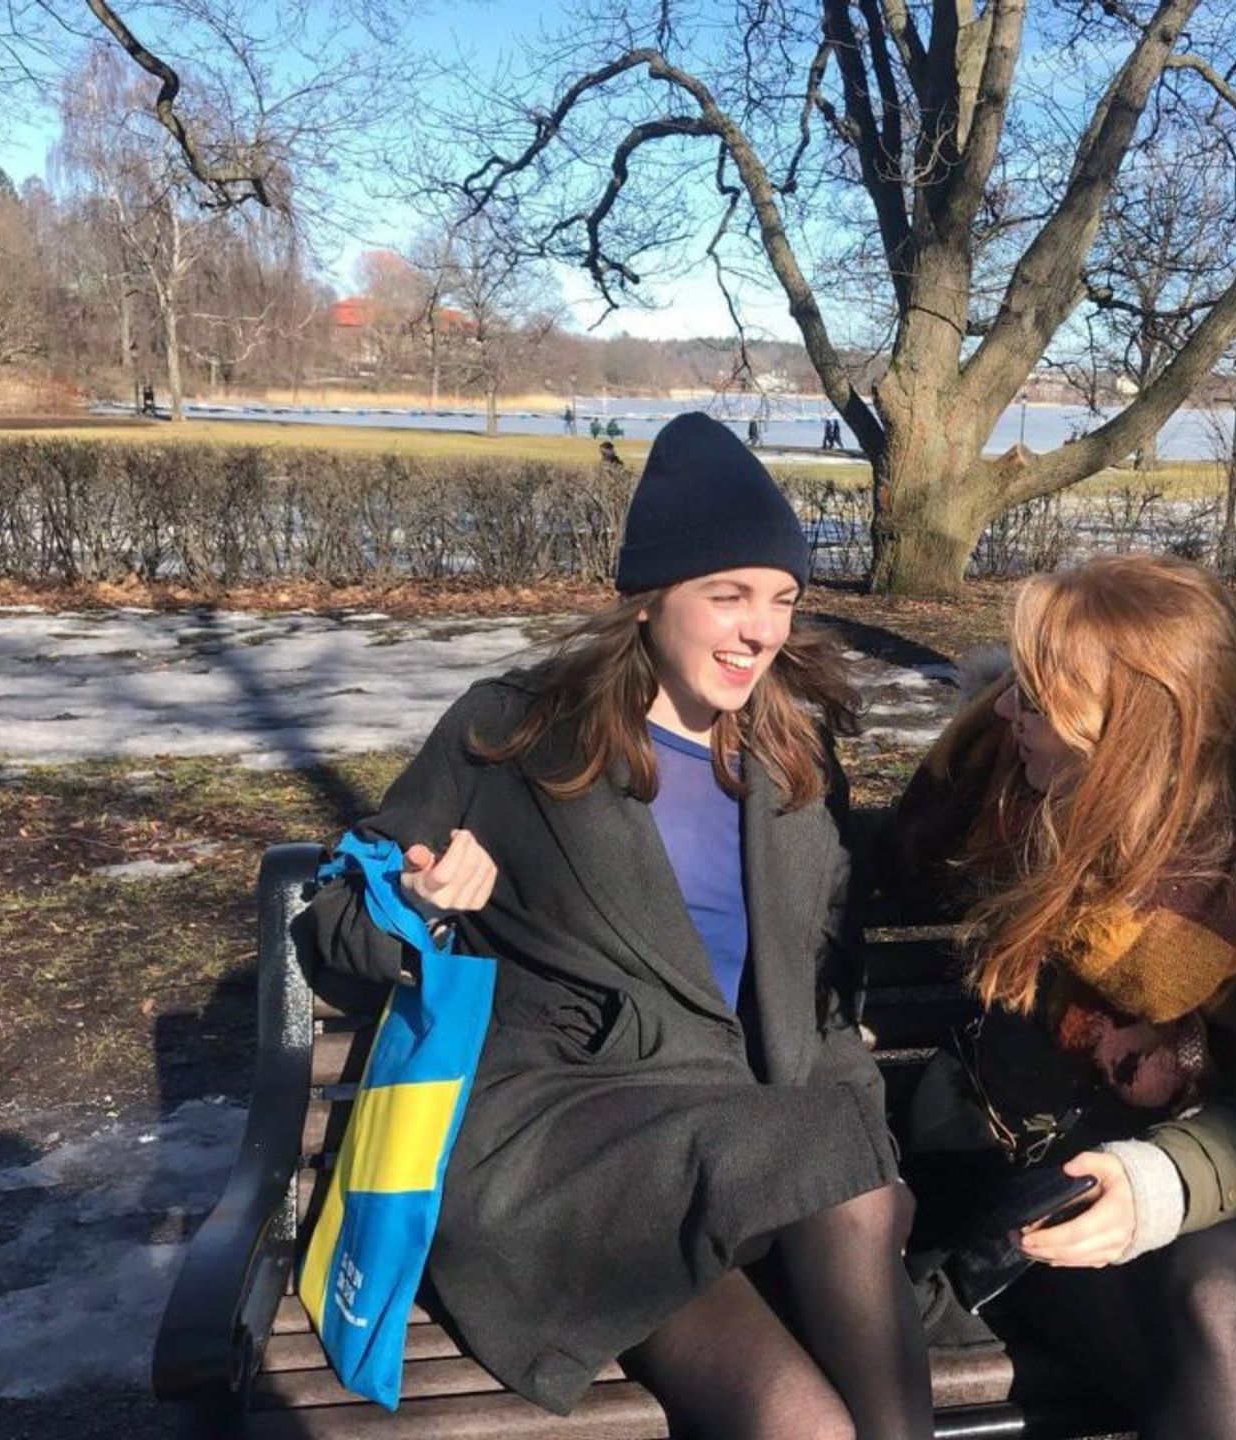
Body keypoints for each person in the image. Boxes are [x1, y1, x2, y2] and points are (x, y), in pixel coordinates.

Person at [298, 413, 933, 1439]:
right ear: (650, 601)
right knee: (801, 1412)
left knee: (838, 1229)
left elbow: (826, 995)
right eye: (727, 596)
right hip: (574, 1158)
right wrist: (415, 905)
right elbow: (336, 922)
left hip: (752, 1147)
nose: (759, 630)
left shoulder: (793, 760)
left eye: (780, 599)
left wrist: (866, 1152)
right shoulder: (515, 734)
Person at [884, 554, 1236, 1440]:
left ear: (1136, 728)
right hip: (1003, 1150)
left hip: (1194, 1157)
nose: (1004, 711)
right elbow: (864, 873)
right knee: (1187, 1360)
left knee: (1214, 1302)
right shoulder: (1000, 789)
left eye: (1039, 697)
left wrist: (1157, 1185)